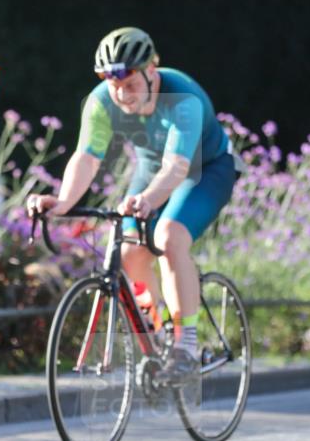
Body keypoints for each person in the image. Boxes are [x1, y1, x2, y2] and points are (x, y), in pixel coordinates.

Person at [26, 27, 239, 381]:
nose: (122, 95)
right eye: (114, 86)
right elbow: (87, 157)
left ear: (151, 72)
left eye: (130, 85)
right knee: (129, 254)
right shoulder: (101, 101)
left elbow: (178, 167)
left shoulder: (183, 98)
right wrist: (62, 202)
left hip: (207, 169)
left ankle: (186, 346)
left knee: (170, 236)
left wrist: (148, 200)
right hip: (153, 170)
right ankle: (159, 334)